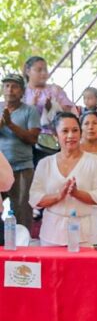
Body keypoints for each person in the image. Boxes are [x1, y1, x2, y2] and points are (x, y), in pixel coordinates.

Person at [29, 113, 97, 321]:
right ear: (56, 134)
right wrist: (58, 195)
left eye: (75, 130)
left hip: (86, 231)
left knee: (86, 289)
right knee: (57, 289)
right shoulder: (45, 164)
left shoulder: (94, 161)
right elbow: (35, 198)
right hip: (53, 231)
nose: (71, 136)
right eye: (65, 131)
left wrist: (77, 193)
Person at [0, 73, 41, 231]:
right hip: (1, 170)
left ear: (22, 92)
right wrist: (2, 123)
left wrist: (10, 125)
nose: (10, 90)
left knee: (22, 211)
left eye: (15, 86)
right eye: (7, 86)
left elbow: (32, 138)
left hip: (22, 168)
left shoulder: (30, 111)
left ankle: (25, 248)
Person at [22, 56, 76, 141]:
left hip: (54, 139)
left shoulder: (55, 90)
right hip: (28, 138)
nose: (43, 73)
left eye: (45, 70)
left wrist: (53, 107)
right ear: (28, 71)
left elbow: (69, 112)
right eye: (39, 70)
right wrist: (33, 105)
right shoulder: (22, 92)